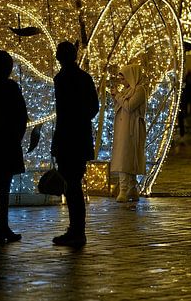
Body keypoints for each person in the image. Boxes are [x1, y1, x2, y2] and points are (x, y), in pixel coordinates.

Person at [51, 41, 99, 247]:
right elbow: (93, 108)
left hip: (67, 138)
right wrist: (82, 120)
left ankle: (76, 230)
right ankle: (77, 228)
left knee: (72, 186)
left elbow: (62, 114)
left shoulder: (61, 79)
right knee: (74, 184)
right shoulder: (84, 78)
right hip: (80, 138)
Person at [0, 50, 28, 244]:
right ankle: (1, 226)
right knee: (2, 189)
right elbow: (21, 116)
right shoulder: (10, 87)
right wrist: (15, 137)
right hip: (6, 144)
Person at [110, 64, 147, 203]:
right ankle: (131, 188)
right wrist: (116, 97)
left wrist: (118, 96)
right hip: (123, 129)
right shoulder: (127, 91)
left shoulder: (139, 90)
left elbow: (129, 106)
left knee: (127, 157)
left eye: (123, 78)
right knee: (123, 156)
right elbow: (120, 106)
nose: (121, 81)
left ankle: (125, 189)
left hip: (132, 129)